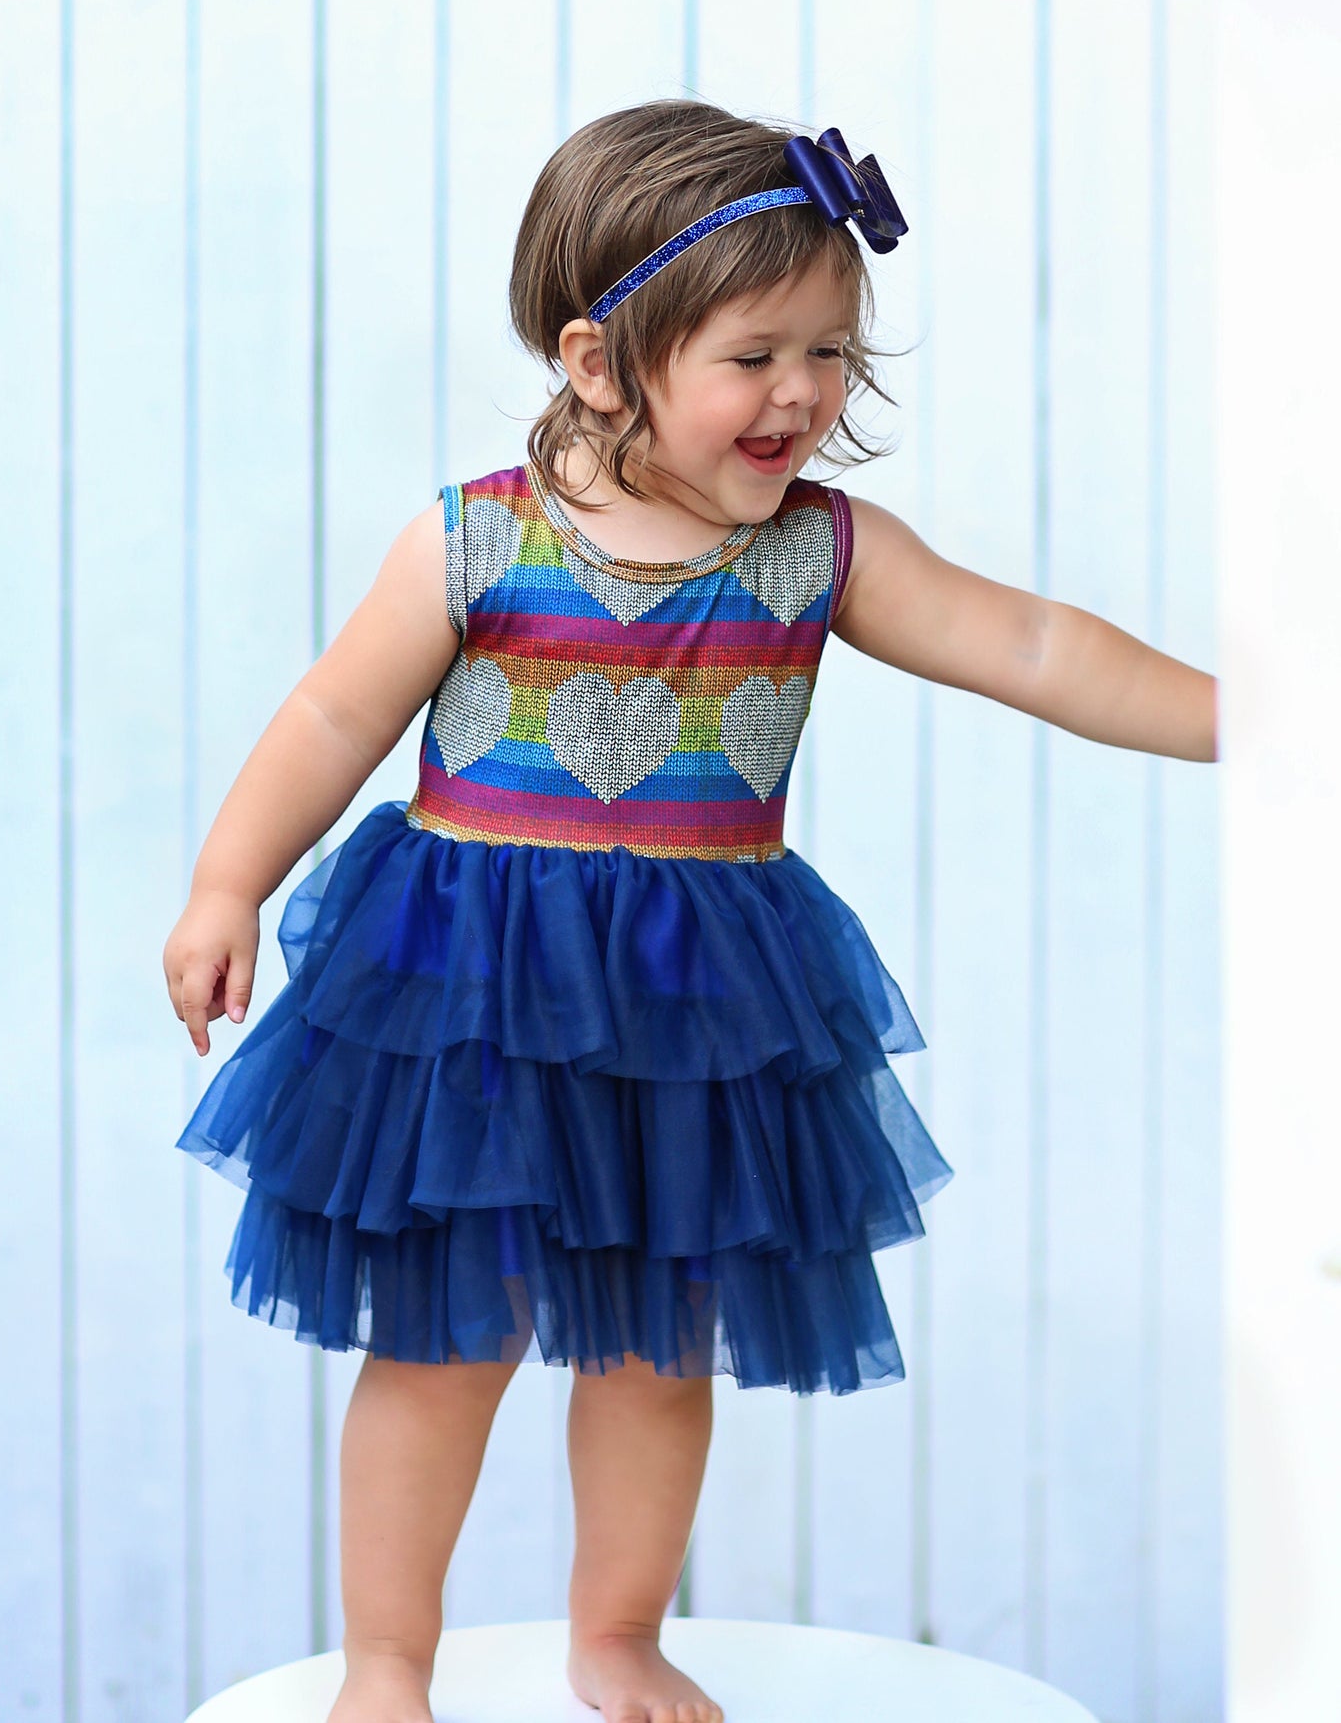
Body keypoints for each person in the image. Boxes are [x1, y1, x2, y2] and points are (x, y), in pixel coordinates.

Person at [163, 98, 1217, 1723]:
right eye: (753, 354)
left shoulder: (817, 557)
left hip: (691, 1014)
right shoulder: (476, 540)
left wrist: (1263, 718)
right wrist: (228, 882)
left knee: (658, 1354)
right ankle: (386, 1661)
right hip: (466, 1001)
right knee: (444, 1347)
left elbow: (1031, 645)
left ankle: (617, 1631)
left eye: (829, 353)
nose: (800, 392)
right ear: (601, 363)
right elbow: (326, 721)